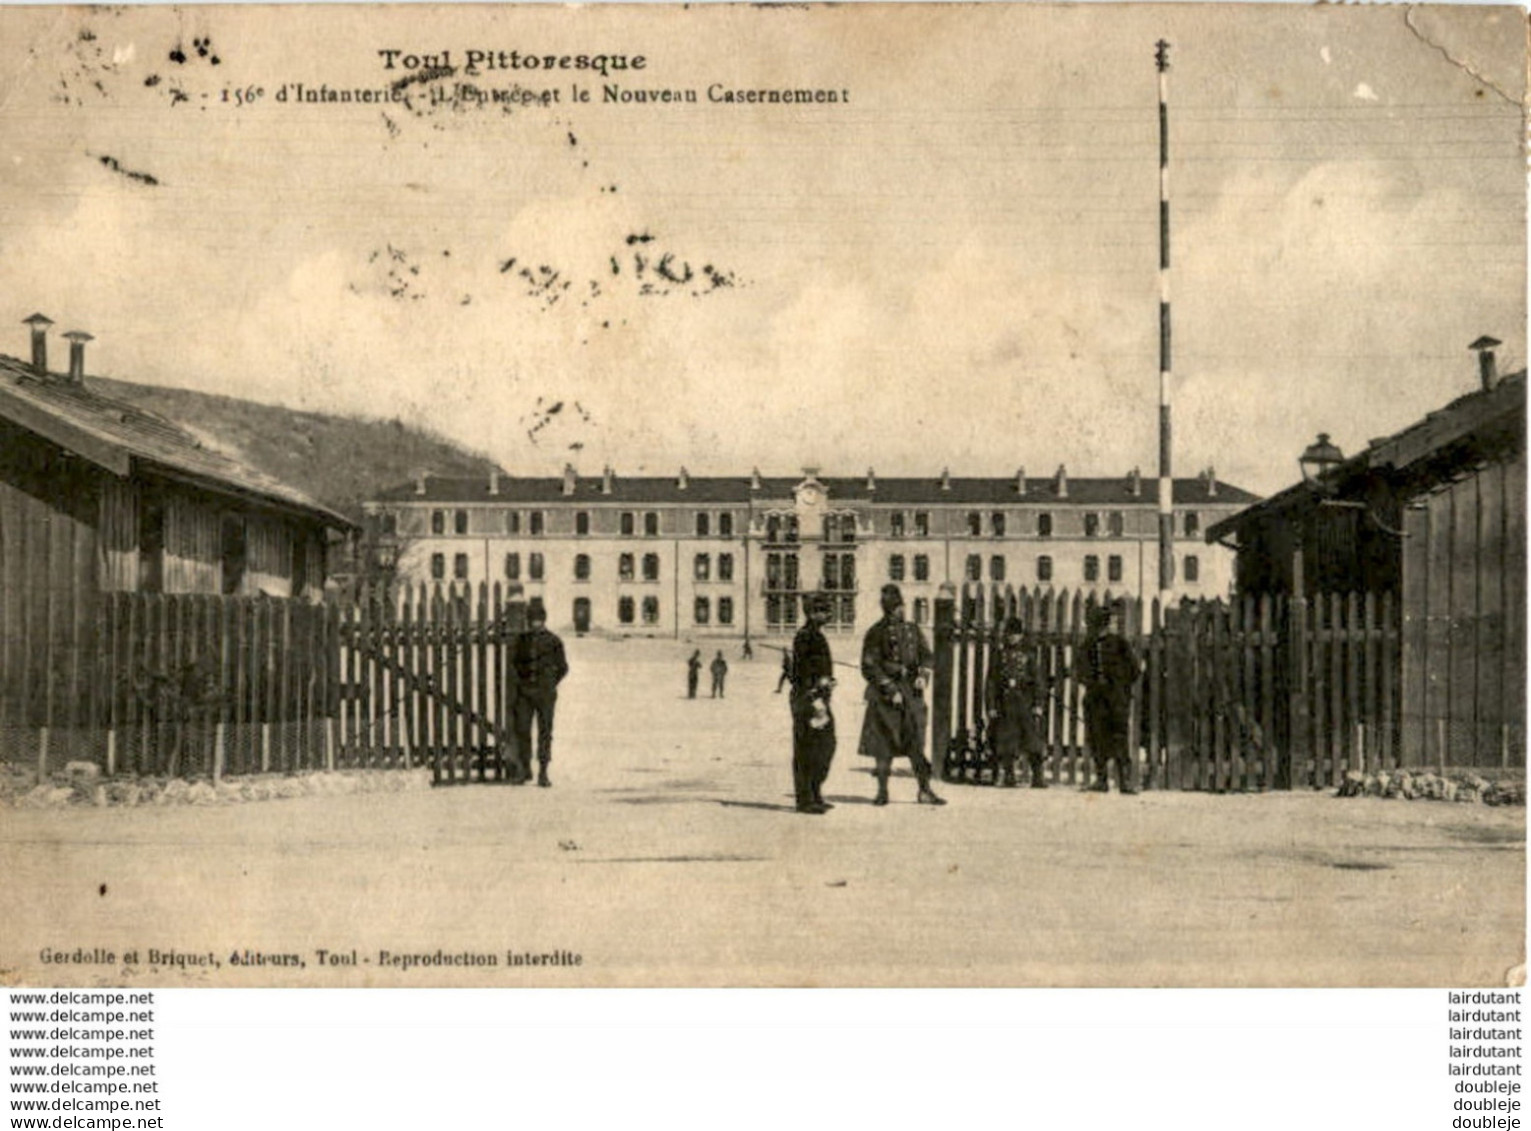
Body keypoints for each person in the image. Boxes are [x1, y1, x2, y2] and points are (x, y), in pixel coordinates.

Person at [859, 583, 945, 807]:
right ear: (886, 609)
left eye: (899, 606)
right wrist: (890, 688)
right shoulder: (875, 633)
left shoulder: (912, 629)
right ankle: (882, 792)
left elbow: (927, 656)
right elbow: (869, 666)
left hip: (912, 695)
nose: (898, 611)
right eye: (893, 608)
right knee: (883, 746)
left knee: (916, 742)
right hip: (885, 697)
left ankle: (925, 791)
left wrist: (922, 676)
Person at [1075, 602, 1141, 794]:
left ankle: (1125, 781)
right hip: (1096, 700)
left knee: (1119, 738)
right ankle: (1101, 779)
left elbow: (1134, 670)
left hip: (1116, 700)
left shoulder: (1121, 644)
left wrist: (1119, 685)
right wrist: (1092, 682)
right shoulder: (1087, 646)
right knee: (1097, 738)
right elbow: (1080, 671)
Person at [510, 603, 569, 788]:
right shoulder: (522, 640)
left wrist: (550, 683)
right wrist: (523, 681)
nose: (535, 624)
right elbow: (515, 663)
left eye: (538, 620)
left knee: (545, 733)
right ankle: (524, 770)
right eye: (532, 620)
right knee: (523, 731)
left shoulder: (554, 641)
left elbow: (563, 667)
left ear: (543, 620)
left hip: (545, 694)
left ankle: (543, 772)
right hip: (525, 693)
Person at [790, 592, 837, 814]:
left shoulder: (816, 635)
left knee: (825, 746)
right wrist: (815, 693)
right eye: (823, 611)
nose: (828, 614)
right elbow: (801, 672)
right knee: (807, 749)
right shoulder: (805, 636)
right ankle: (805, 799)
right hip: (808, 700)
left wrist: (827, 681)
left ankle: (815, 792)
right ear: (811, 613)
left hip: (819, 698)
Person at [987, 618, 1048, 788]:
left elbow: (1038, 681)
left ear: (1021, 635)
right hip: (1005, 702)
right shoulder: (999, 655)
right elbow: (991, 681)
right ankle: (1009, 775)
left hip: (1025, 701)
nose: (1012, 638)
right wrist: (991, 705)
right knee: (1007, 739)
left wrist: (1038, 703)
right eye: (1009, 634)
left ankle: (1038, 776)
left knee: (1032, 739)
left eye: (1016, 634)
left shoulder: (1030, 654)